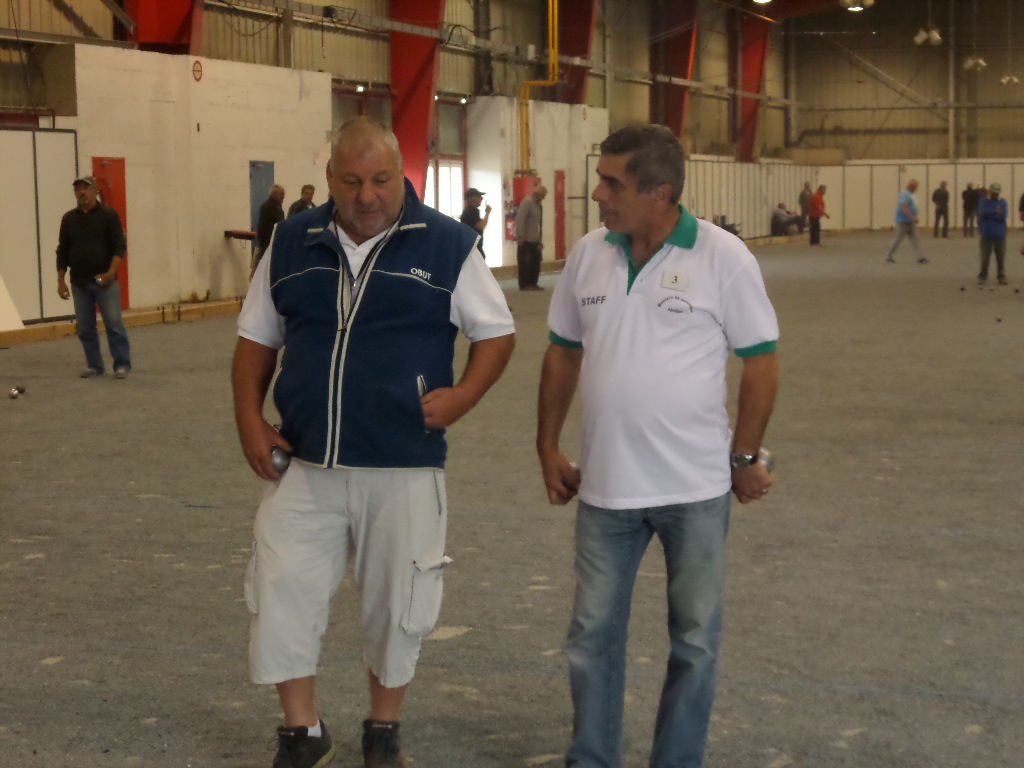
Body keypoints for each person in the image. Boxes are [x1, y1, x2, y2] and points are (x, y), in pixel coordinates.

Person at [232, 117, 516, 768]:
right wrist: (249, 418)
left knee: (399, 603)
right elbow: (256, 336)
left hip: (404, 463)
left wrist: (463, 396)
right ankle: (302, 733)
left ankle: (382, 731)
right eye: (352, 181)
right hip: (305, 463)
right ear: (329, 177)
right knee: (280, 589)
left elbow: (496, 332)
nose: (367, 196)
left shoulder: (447, 244)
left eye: (381, 180)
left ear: (401, 176)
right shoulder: (292, 241)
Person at [536, 124, 779, 768]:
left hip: (694, 490)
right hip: (605, 489)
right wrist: (547, 445)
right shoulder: (588, 254)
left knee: (694, 642)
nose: (597, 194)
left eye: (612, 183)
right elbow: (561, 352)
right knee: (590, 637)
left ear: (660, 192)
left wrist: (744, 457)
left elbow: (760, 360)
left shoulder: (724, 258)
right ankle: (592, 758)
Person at [55, 175, 132, 379]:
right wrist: (61, 281)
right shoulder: (68, 219)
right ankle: (95, 365)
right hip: (79, 283)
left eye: (86, 188)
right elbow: (62, 251)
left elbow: (120, 246)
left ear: (96, 191)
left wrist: (111, 273)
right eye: (78, 189)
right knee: (85, 328)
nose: (82, 192)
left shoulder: (109, 215)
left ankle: (122, 364)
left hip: (105, 282)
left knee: (114, 325)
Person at [883, 179, 928, 264]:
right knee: (897, 239)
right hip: (903, 221)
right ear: (911, 186)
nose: (916, 189)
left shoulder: (911, 194)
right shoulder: (904, 194)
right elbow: (903, 208)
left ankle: (920, 257)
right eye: (915, 187)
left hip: (910, 222)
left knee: (915, 239)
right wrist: (913, 217)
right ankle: (888, 256)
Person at [515, 185, 547, 290]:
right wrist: (520, 235)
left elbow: (538, 224)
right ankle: (525, 284)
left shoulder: (538, 206)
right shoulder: (527, 202)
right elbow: (520, 219)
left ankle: (533, 283)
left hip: (535, 239)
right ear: (537, 194)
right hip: (525, 239)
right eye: (542, 196)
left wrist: (539, 239)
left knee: (535, 262)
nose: (543, 198)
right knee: (525, 263)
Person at [977, 182, 1008, 286]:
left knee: (1001, 258)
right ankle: (982, 276)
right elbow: (983, 213)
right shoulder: (984, 201)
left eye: (997, 193)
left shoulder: (1003, 202)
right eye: (993, 192)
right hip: (986, 234)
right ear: (990, 192)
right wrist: (996, 211)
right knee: (985, 258)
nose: (995, 195)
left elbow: (1002, 215)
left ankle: (1001, 276)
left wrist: (991, 213)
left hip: (1000, 234)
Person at [252, 184, 285, 277]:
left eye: (284, 194)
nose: (283, 197)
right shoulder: (267, 207)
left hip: (276, 244)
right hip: (268, 244)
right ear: (274, 194)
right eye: (281, 194)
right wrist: (263, 245)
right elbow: (262, 227)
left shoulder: (278, 208)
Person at [459, 187, 491, 257]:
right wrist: (487, 213)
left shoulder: (468, 211)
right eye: (479, 196)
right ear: (472, 198)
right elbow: (481, 226)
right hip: (473, 250)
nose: (481, 199)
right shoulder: (471, 212)